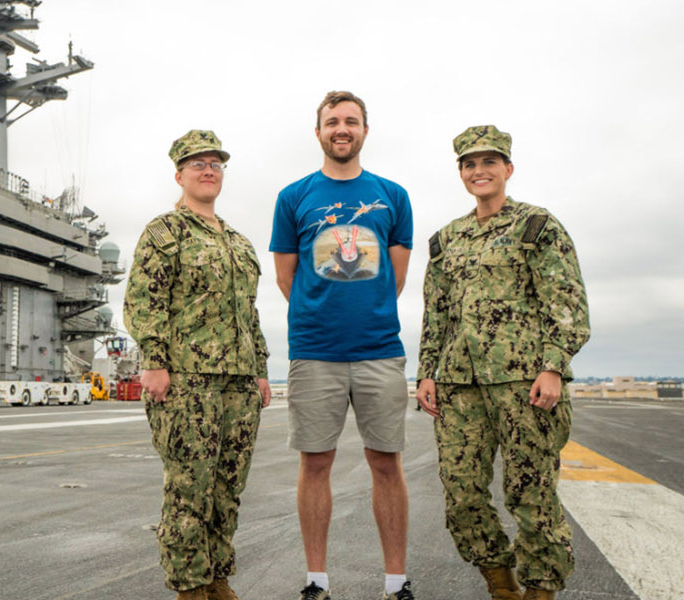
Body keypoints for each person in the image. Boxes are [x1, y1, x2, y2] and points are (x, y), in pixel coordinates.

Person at [414, 125, 591, 600]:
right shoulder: (446, 240)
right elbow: (437, 312)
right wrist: (426, 372)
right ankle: (499, 581)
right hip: (458, 384)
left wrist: (553, 366)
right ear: (461, 174)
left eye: (489, 162)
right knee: (462, 491)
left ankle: (541, 588)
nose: (479, 171)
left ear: (507, 169)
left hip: (523, 381)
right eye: (469, 164)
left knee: (530, 492)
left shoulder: (537, 226)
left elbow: (566, 300)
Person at [269, 91, 415, 600]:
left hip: (379, 349)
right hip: (314, 352)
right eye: (332, 121)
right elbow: (287, 276)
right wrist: (322, 309)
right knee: (314, 464)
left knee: (386, 462)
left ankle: (395, 583)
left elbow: (393, 278)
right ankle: (316, 581)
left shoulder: (392, 196)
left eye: (351, 121)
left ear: (364, 131)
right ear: (319, 133)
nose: (341, 129)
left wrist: (361, 306)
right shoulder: (293, 197)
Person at [123, 129, 272, 600]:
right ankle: (190, 586)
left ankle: (218, 578)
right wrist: (154, 361)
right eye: (198, 164)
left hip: (238, 382)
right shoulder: (165, 231)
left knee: (227, 488)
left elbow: (248, 311)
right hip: (187, 381)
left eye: (216, 164)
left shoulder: (239, 242)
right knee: (190, 489)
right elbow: (144, 299)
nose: (209, 170)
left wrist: (261, 368)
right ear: (179, 174)